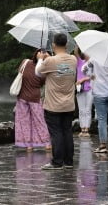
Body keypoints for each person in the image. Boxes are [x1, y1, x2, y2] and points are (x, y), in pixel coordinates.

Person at [35, 33, 77, 170]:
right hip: (69, 104)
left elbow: (38, 72)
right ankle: (69, 162)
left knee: (56, 133)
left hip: (53, 105)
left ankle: (57, 162)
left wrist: (41, 59)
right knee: (67, 131)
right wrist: (48, 59)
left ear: (53, 45)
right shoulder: (73, 60)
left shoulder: (50, 61)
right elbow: (60, 67)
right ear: (66, 44)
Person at [14, 50, 50, 151]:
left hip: (22, 96)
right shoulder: (43, 68)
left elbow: (20, 72)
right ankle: (46, 144)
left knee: (24, 122)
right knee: (40, 121)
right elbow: (43, 82)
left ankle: (28, 146)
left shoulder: (25, 62)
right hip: (35, 97)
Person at [74, 47, 93, 137]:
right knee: (81, 110)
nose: (86, 54)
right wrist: (77, 45)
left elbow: (94, 76)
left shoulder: (92, 64)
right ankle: (82, 128)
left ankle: (87, 129)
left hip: (90, 89)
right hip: (79, 89)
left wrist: (84, 79)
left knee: (88, 109)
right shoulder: (80, 63)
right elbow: (76, 53)